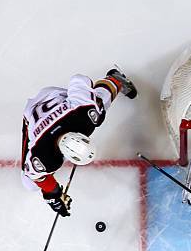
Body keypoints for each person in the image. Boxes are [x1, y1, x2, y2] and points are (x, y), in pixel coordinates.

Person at [21, 68, 137, 216]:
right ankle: (111, 82)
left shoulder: (84, 117)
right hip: (33, 111)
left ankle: (115, 80)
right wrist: (53, 194)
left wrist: (54, 194)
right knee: (29, 183)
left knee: (96, 108)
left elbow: (79, 79)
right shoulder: (44, 156)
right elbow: (33, 175)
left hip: (55, 98)